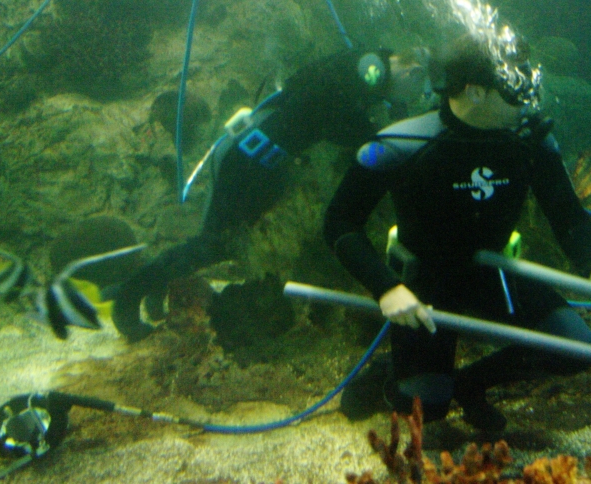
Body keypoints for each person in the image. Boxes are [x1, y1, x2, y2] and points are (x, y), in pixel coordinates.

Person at [323, 34, 591, 432]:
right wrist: (387, 289)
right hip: (424, 283)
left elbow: (566, 212)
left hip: (493, 272)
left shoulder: (529, 141)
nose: (528, 100)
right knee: (427, 412)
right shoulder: (401, 145)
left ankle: (469, 385)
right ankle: (391, 372)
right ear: (475, 91)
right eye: (515, 89)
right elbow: (340, 221)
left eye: (529, 83)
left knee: (575, 348)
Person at [113, 46, 432, 341]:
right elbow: (328, 118)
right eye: (418, 89)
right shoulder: (362, 73)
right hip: (245, 161)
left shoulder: (358, 69)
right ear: (413, 72)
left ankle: (155, 289)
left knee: (219, 245)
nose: (413, 98)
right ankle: (128, 298)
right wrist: (377, 137)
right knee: (215, 244)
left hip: (258, 164)